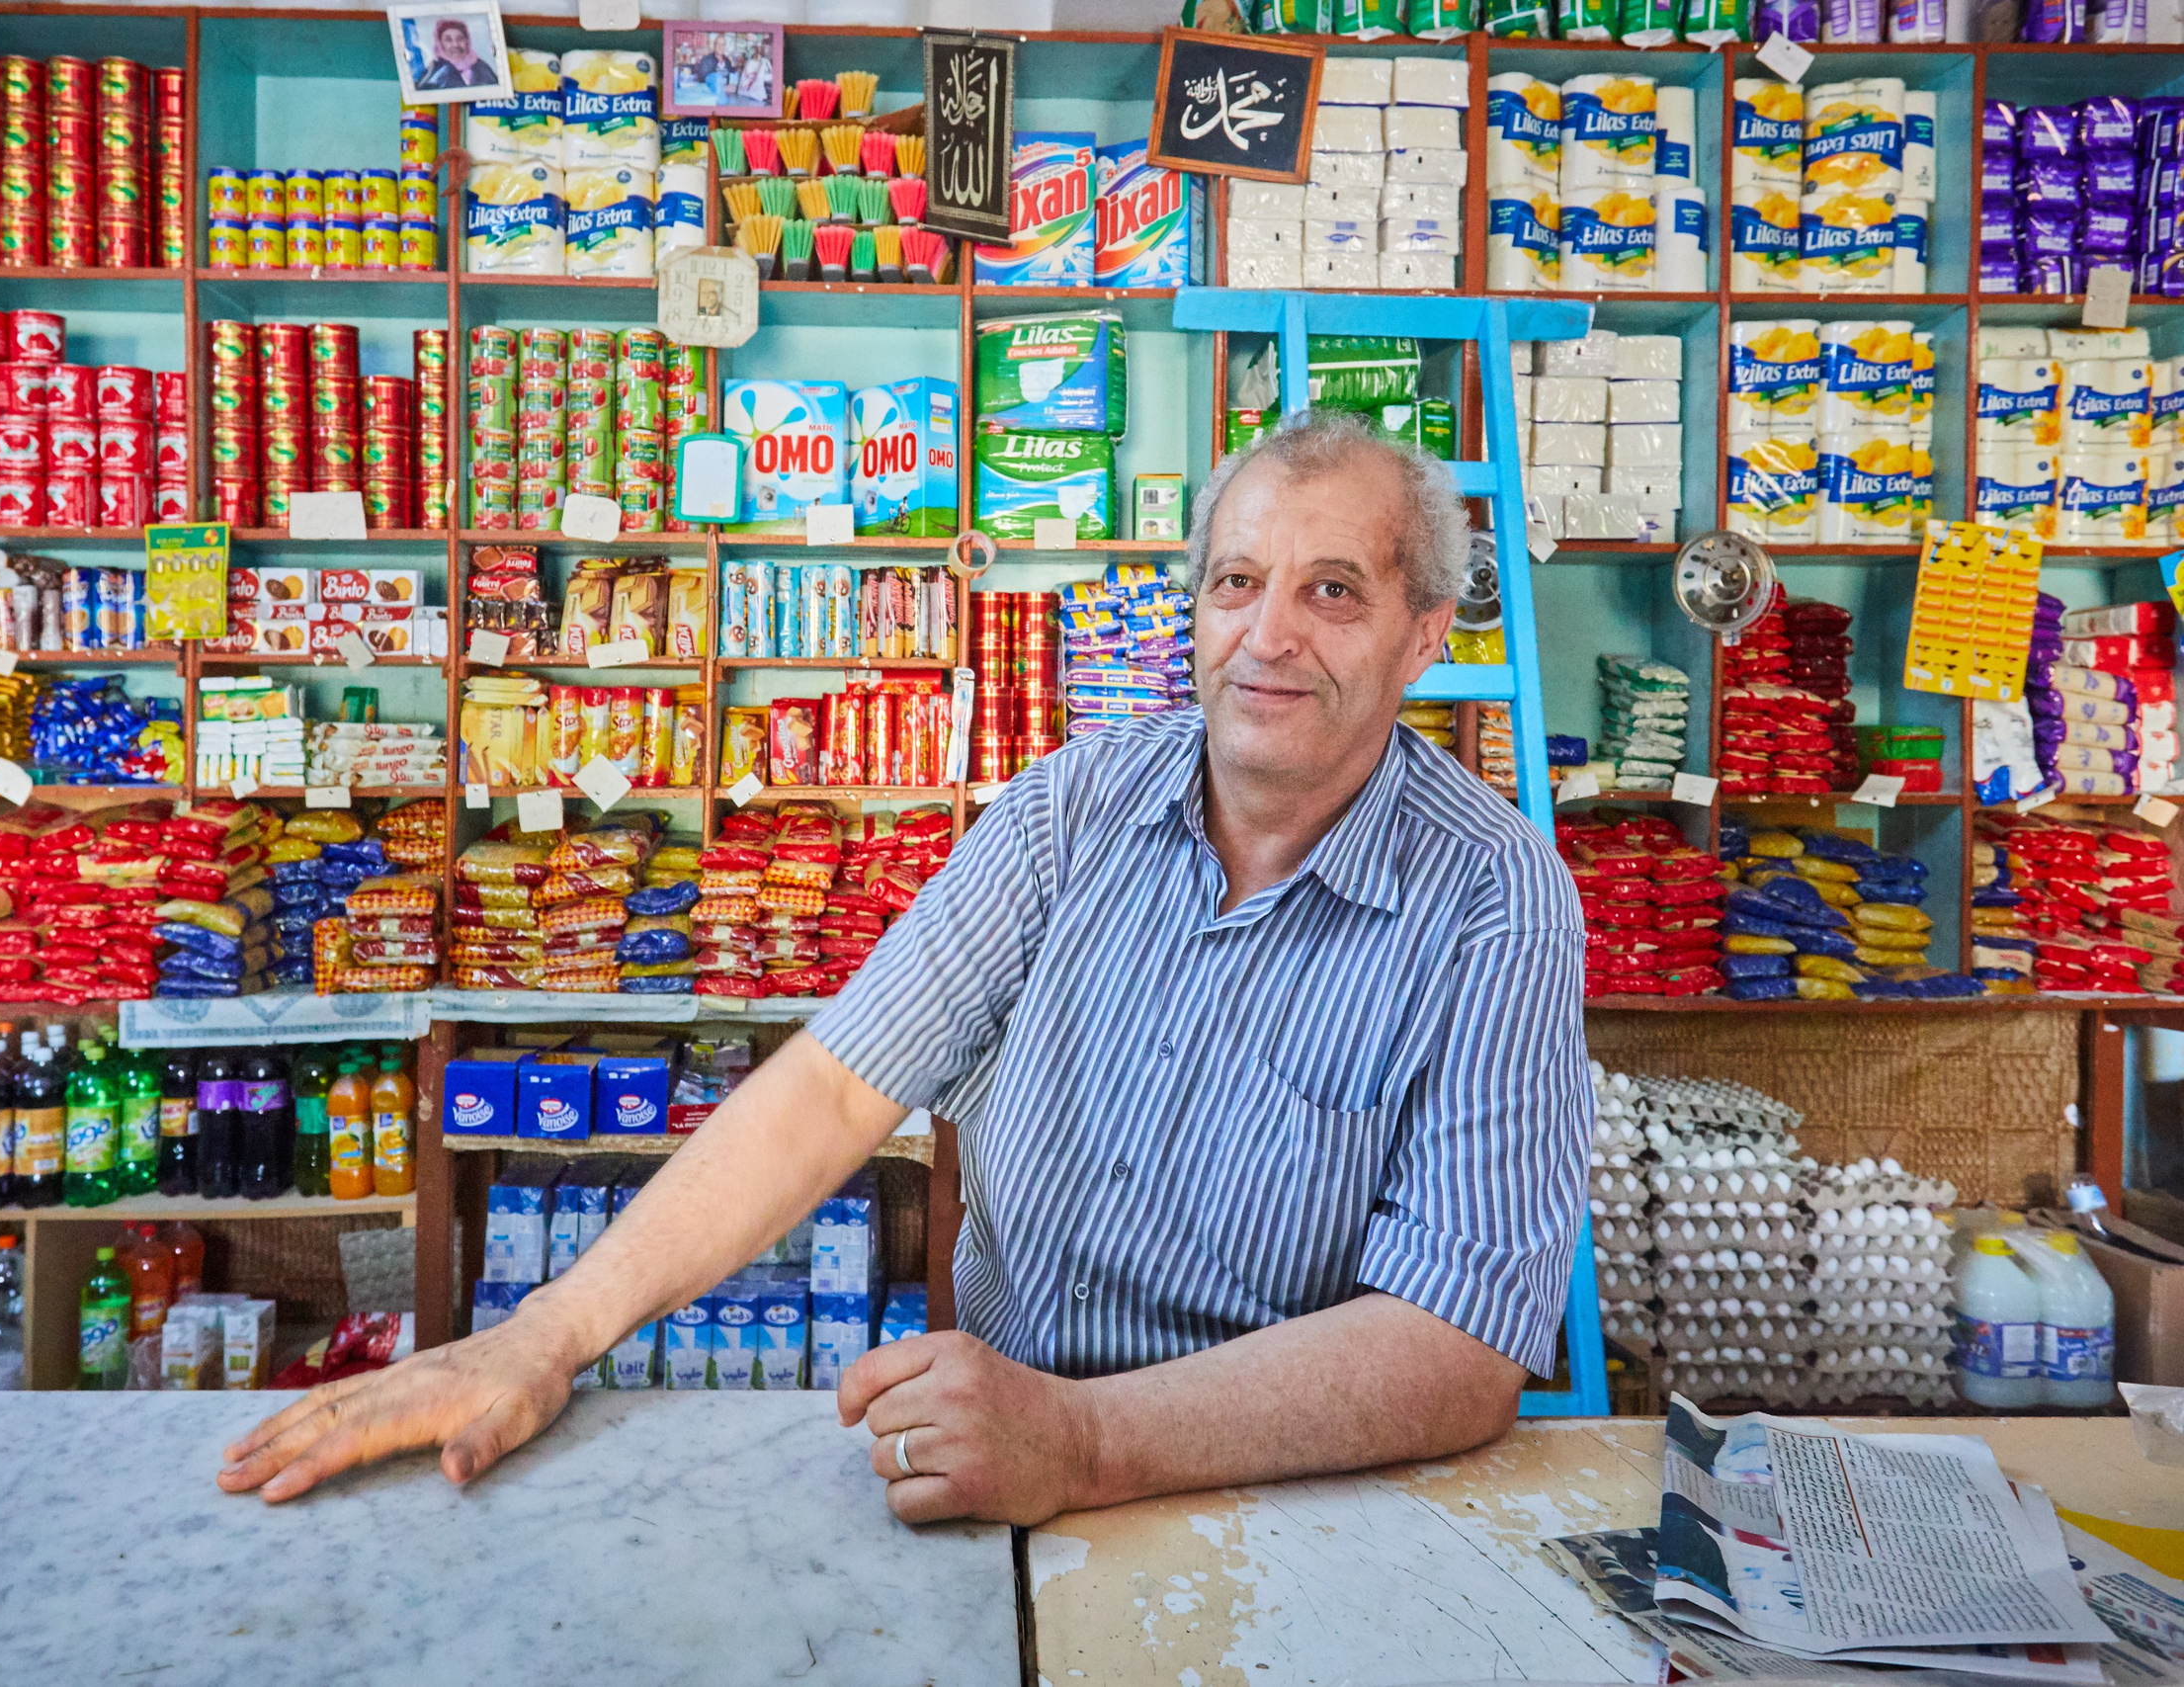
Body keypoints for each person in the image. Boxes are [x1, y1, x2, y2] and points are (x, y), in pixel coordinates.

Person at [218, 410, 1591, 1526]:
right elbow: (830, 1087)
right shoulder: (1074, 808)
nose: (1268, 633)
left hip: (1298, 1491)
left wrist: (1089, 1438)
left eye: (1332, 590)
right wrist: (548, 1328)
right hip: (1007, 1452)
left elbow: (1456, 1348)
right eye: (1236, 581)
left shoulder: (1496, 899)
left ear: (1425, 635)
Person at [413, 18, 500, 92]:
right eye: (448, 40)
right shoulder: (433, 71)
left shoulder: (482, 68)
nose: (455, 45)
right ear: (440, 43)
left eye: (460, 39)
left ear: (467, 41)